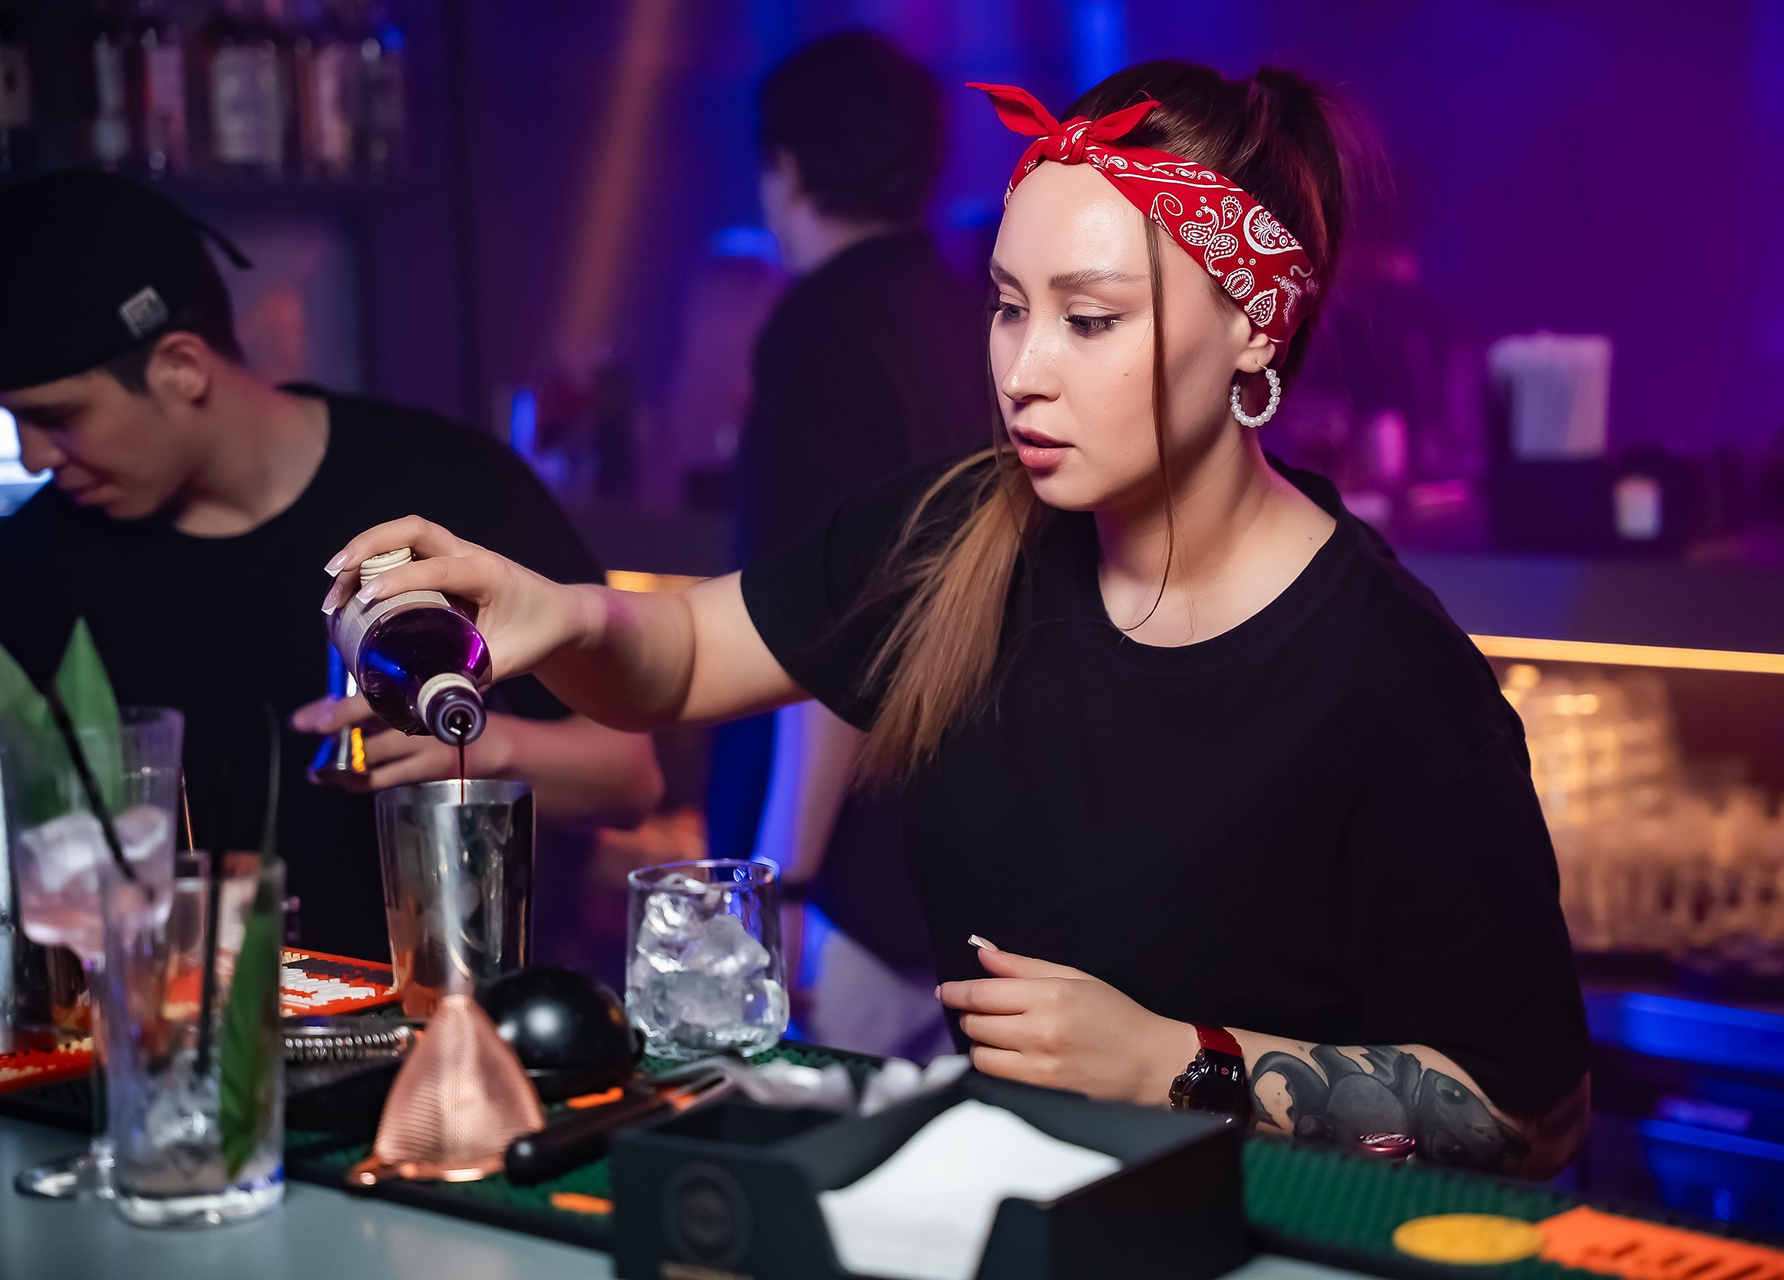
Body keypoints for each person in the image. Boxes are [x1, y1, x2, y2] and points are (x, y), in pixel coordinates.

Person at [325, 62, 1591, 1176]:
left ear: (1254, 328)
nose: (1022, 369)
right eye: (1006, 304)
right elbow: (693, 655)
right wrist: (558, 613)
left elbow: (1529, 1112)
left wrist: (1177, 1059)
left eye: (1088, 318)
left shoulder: (1388, 675)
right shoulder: (960, 533)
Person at [0, 170, 662, 965]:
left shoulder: (446, 483)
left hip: (452, 1010)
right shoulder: (35, 561)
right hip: (186, 1026)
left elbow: (631, 778)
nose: (35, 457)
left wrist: (477, 749)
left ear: (181, 368)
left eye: (57, 417)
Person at [715, 31, 986, 1059]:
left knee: (809, 1141)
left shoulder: (822, 327)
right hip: (957, 857)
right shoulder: (970, 311)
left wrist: (784, 882)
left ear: (785, 170)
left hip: (848, 882)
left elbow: (821, 628)